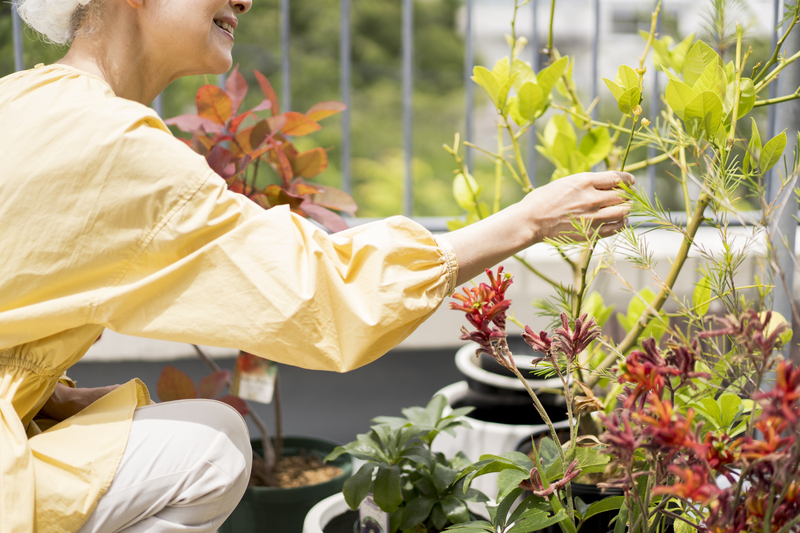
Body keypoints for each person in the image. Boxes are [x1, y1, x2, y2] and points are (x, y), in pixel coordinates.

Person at [0, 0, 633, 531]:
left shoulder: (22, 99)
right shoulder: (111, 142)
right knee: (212, 446)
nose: (246, 1)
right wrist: (527, 221)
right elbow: (321, 294)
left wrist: (47, 395)